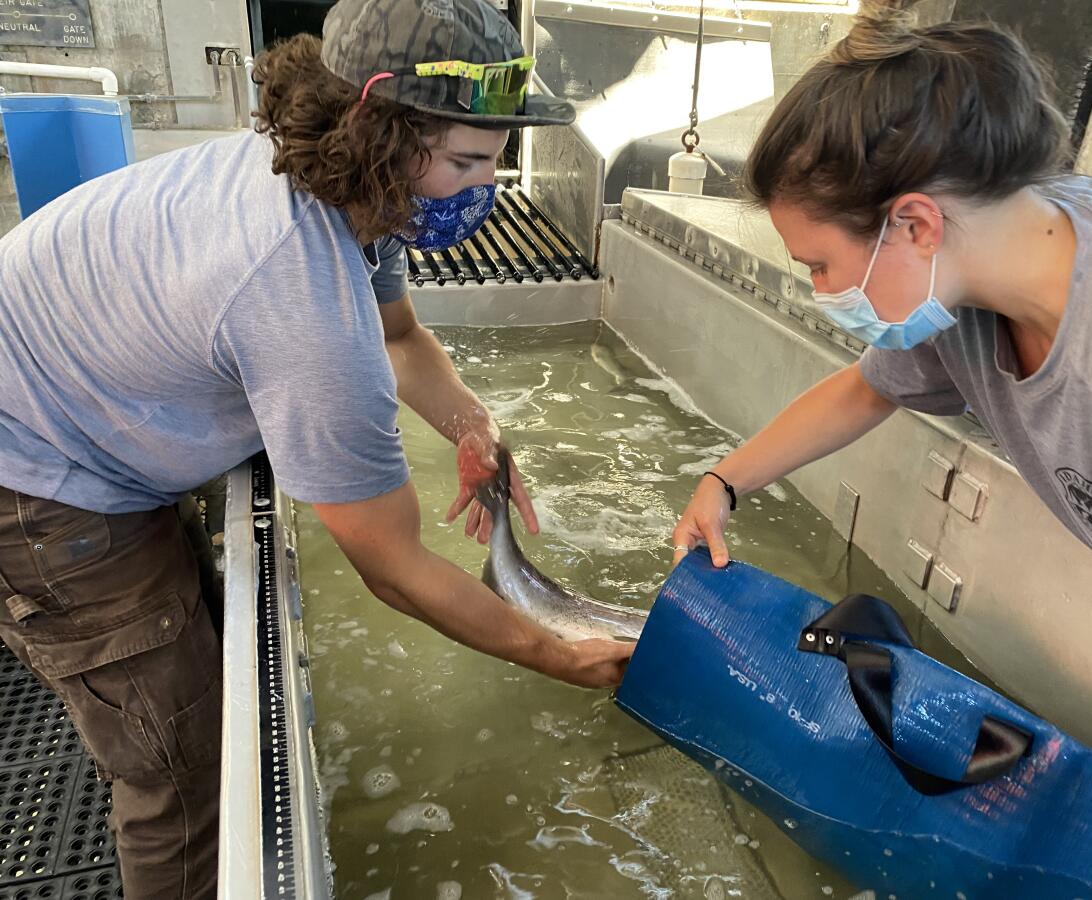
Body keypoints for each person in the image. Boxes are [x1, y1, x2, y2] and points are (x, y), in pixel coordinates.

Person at [0, 0, 633, 895]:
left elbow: (404, 337)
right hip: (33, 476)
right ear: (378, 133)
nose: (486, 190)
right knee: (182, 777)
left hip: (81, 400)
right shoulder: (300, 292)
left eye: (496, 159)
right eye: (465, 161)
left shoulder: (338, 191)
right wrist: (557, 655)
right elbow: (393, 568)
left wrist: (473, 426)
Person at [671, 0, 1092, 635]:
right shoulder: (981, 256)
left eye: (818, 266)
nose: (821, 292)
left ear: (917, 224)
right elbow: (870, 387)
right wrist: (724, 482)